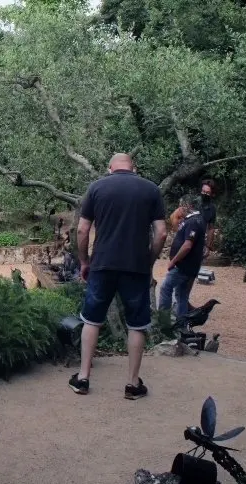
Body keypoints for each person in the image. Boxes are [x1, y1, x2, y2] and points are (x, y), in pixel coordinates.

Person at [71, 153, 167, 400]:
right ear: (133, 167)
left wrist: (84, 261)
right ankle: (133, 384)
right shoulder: (151, 190)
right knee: (137, 323)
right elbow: (161, 234)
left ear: (110, 168)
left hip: (102, 264)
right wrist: (149, 261)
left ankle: (83, 378)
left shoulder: (97, 188)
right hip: (136, 267)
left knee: (92, 320)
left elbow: (82, 229)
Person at [159, 199, 207, 318]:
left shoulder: (193, 222)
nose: (178, 209)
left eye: (180, 206)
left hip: (183, 265)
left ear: (187, 206)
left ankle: (163, 319)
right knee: (181, 294)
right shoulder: (196, 219)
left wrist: (173, 261)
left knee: (166, 288)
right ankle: (182, 323)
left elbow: (187, 246)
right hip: (190, 265)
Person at [198, 179, 217, 257]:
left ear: (212, 194)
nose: (204, 194)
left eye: (207, 192)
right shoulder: (193, 202)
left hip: (199, 241)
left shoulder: (212, 208)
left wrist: (208, 246)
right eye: (203, 191)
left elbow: (211, 228)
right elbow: (175, 216)